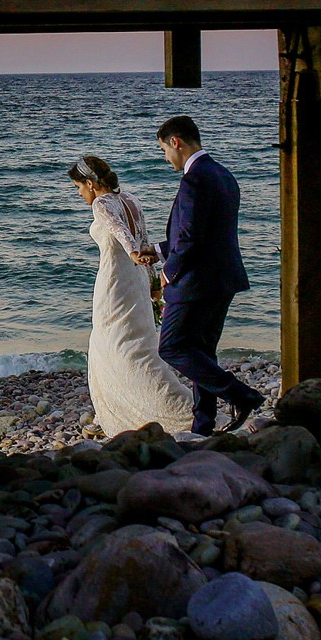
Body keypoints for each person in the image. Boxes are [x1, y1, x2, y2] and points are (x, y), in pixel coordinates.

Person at [133, 115, 265, 435]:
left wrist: (168, 271)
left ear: (175, 142)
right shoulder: (223, 174)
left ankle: (241, 395)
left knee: (172, 347)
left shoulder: (194, 179)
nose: (165, 157)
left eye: (164, 149)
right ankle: (203, 424)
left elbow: (191, 238)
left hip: (196, 282)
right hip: (223, 279)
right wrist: (159, 250)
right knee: (202, 352)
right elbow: (206, 233)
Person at [69, 153, 194, 437]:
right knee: (138, 344)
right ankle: (137, 411)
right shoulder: (132, 200)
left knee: (115, 345)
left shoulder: (102, 203)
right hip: (136, 280)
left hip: (115, 281)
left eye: (78, 187)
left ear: (90, 183)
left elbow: (121, 231)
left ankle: (155, 413)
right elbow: (144, 238)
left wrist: (133, 253)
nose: (79, 193)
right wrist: (152, 280)